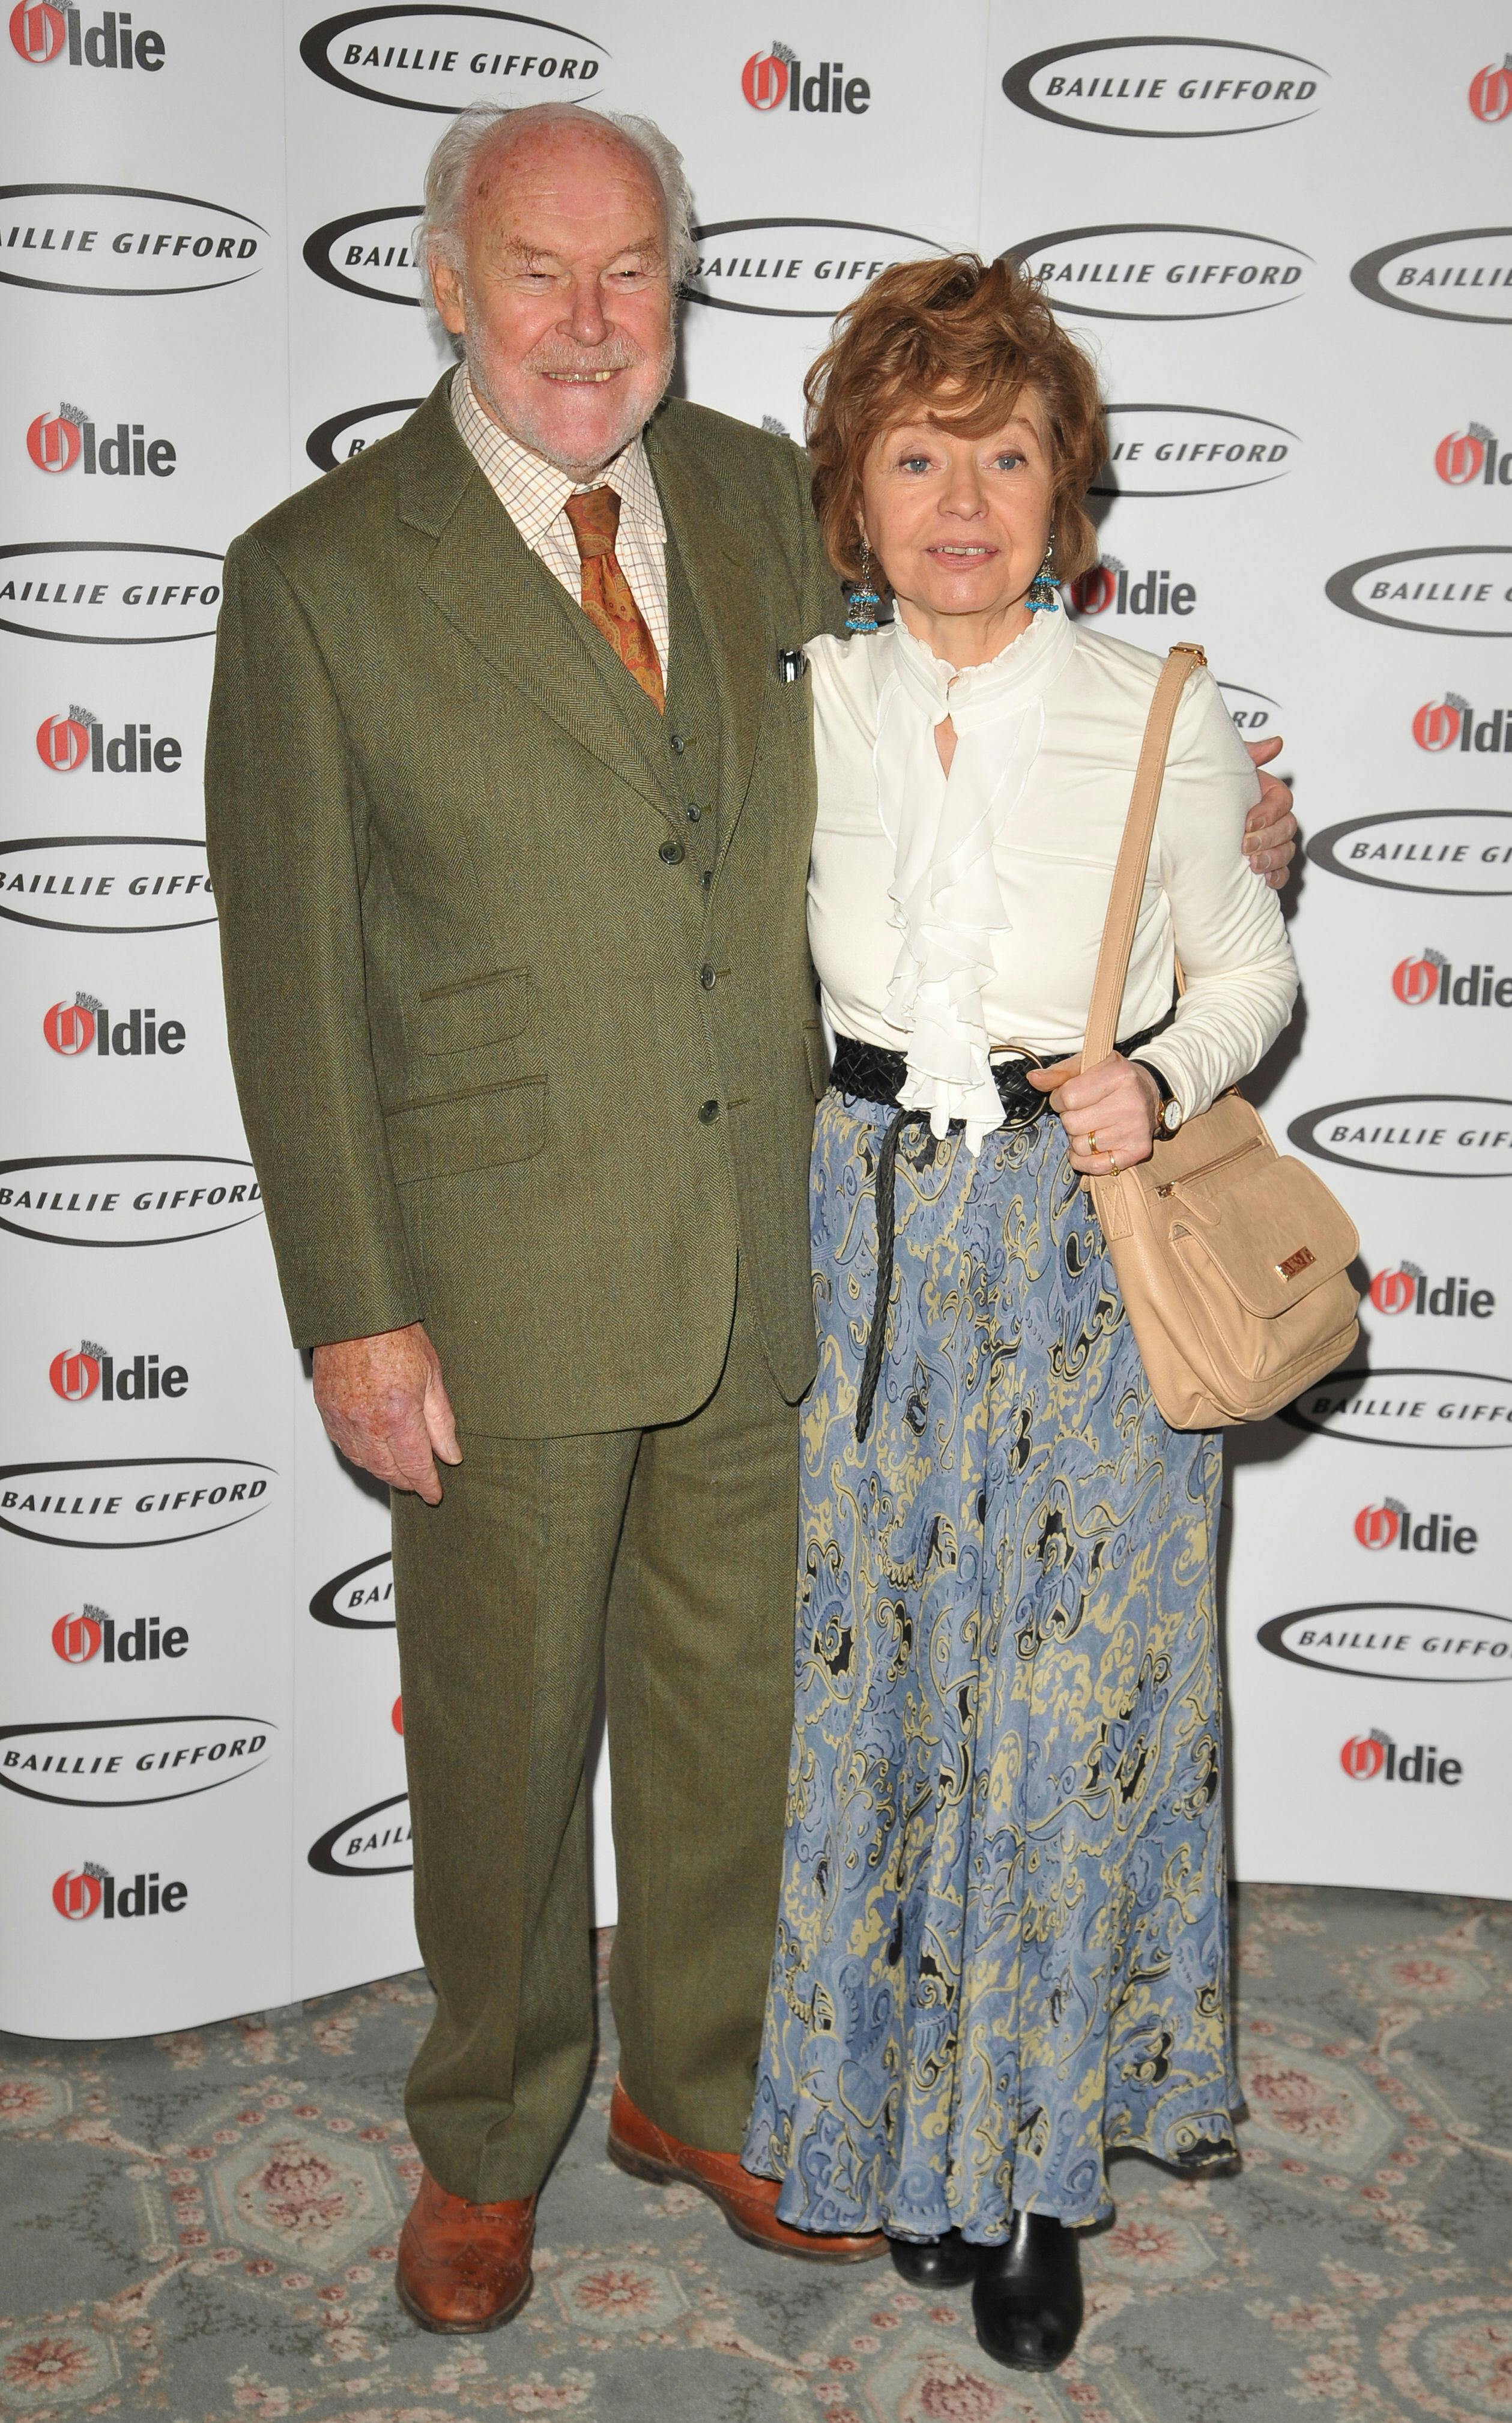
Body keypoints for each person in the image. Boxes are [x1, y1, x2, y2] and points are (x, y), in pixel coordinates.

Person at [204, 104, 1298, 2335]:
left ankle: (703, 2088)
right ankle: (487, 2132)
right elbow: (291, 979)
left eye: (634, 273)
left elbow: (980, 681)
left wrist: (1225, 817)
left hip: (790, 1250)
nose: (592, 321)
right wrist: (354, 1309)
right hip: (496, 1275)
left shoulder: (745, 494)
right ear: (447, 283)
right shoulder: (316, 572)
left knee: (732, 1717)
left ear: (678, 288)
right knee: (502, 1733)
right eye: (541, 270)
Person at [742, 254, 1298, 2376]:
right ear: (853, 492)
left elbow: (1247, 964)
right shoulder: (805, 700)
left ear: (1066, 490)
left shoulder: (1156, 707)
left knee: (1063, 1726)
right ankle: (906, 2130)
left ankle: (1040, 2178)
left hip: (1081, 1250)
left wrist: (1162, 1070)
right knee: (889, 1703)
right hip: (872, 1236)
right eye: (916, 455)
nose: (960, 500)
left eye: (1005, 453)